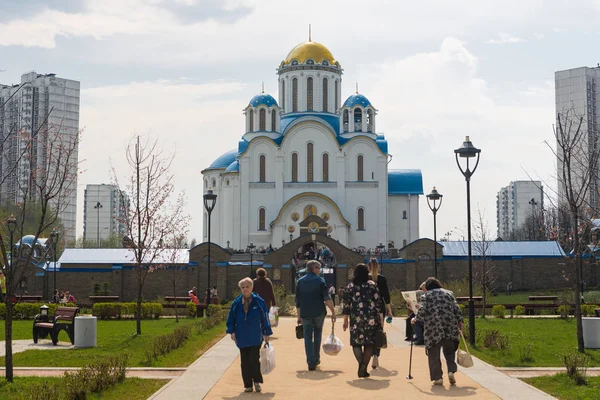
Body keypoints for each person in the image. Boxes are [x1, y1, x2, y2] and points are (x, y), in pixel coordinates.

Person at [413, 277, 463, 386]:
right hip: (449, 326)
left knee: (433, 354)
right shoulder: (449, 293)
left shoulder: (426, 295)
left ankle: (438, 377)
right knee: (450, 352)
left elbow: (422, 310)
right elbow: (457, 308)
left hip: (433, 328)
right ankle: (451, 370)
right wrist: (460, 322)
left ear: (427, 287)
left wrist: (415, 319)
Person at [226, 277, 272, 393]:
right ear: (240, 289)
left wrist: (267, 332)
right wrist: (231, 331)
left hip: (255, 335)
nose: (245, 289)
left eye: (247, 287)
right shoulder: (236, 303)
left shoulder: (259, 301)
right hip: (241, 336)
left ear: (252, 287)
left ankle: (256, 381)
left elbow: (265, 317)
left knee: (254, 359)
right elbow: (231, 318)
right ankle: (247, 385)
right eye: (243, 287)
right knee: (244, 361)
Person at [342, 263, 384, 378]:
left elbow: (346, 305)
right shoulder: (372, 285)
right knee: (369, 343)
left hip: (356, 318)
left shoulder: (350, 287)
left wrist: (345, 320)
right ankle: (364, 366)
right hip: (371, 318)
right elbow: (378, 303)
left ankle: (361, 364)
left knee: (356, 342)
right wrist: (381, 318)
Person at [295, 260, 336, 371]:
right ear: (314, 268)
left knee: (307, 337)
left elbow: (297, 301)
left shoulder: (300, 281)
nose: (320, 270)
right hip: (319, 312)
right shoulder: (320, 281)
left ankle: (310, 361)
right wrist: (333, 311)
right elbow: (327, 298)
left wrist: (299, 316)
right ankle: (316, 358)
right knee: (317, 334)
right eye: (319, 267)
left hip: (305, 313)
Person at [367, 258, 392, 369]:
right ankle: (376, 355)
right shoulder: (382, 279)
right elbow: (386, 295)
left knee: (368, 332)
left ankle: (368, 354)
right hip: (379, 308)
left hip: (366, 308)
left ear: (368, 267)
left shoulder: (365, 278)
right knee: (378, 332)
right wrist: (389, 309)